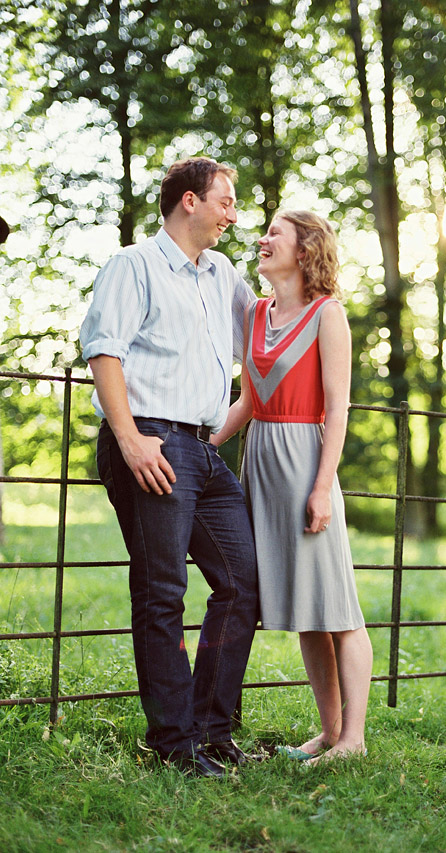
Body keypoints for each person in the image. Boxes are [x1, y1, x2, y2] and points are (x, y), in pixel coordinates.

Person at [79, 157, 260, 778]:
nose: (233, 215)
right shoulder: (134, 265)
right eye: (225, 202)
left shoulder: (223, 273)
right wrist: (129, 439)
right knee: (162, 592)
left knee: (242, 583)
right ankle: (173, 743)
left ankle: (212, 730)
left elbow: (265, 327)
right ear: (189, 201)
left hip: (206, 449)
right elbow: (104, 351)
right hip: (151, 440)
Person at [214, 210, 373, 762]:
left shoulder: (329, 315)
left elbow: (338, 408)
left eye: (275, 232)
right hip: (260, 461)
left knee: (338, 607)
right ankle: (329, 733)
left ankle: (353, 740)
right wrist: (205, 445)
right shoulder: (256, 315)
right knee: (309, 610)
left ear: (304, 250)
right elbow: (251, 402)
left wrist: (323, 487)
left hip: (307, 461)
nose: (262, 238)